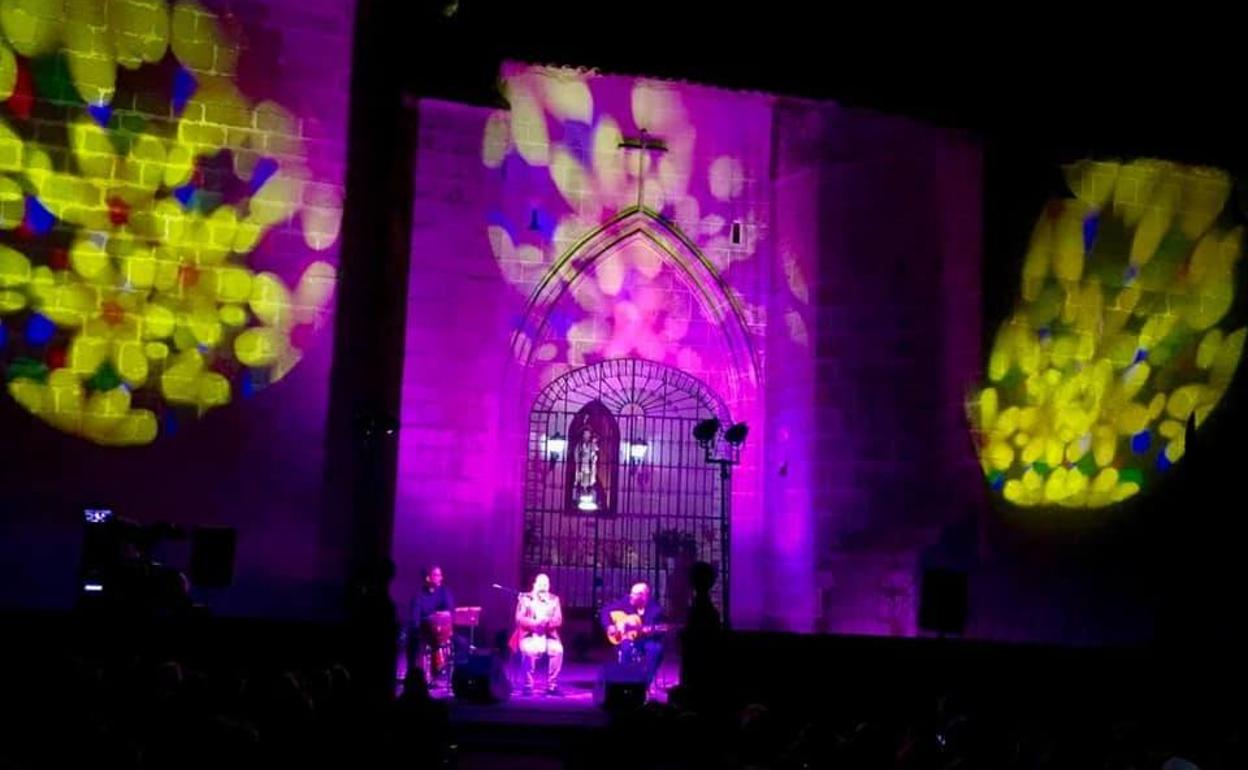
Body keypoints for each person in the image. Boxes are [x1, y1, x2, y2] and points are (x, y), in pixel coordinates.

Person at [600, 582, 667, 687]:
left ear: (644, 596)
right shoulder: (626, 601)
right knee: (626, 648)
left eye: (635, 594)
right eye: (631, 593)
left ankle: (646, 683)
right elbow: (605, 611)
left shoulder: (655, 610)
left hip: (646, 640)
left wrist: (647, 631)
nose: (631, 596)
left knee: (655, 649)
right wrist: (609, 626)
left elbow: (659, 630)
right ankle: (626, 681)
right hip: (627, 639)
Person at [514, 573, 564, 696]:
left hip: (548, 635)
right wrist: (534, 623)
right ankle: (528, 686)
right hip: (529, 635)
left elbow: (558, 620)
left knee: (558, 649)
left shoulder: (554, 599)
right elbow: (519, 618)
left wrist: (546, 623)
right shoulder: (526, 598)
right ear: (534, 585)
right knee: (528, 649)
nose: (543, 587)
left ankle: (552, 686)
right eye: (540, 584)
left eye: (546, 584)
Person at [407, 566, 455, 682]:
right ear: (428, 578)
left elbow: (451, 610)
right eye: (436, 575)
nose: (440, 578)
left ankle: (447, 675)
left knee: (462, 643)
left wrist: (442, 615)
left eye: (440, 575)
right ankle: (417, 675)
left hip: (443, 630)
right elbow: (415, 616)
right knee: (413, 641)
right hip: (425, 630)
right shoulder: (419, 594)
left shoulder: (444, 591)